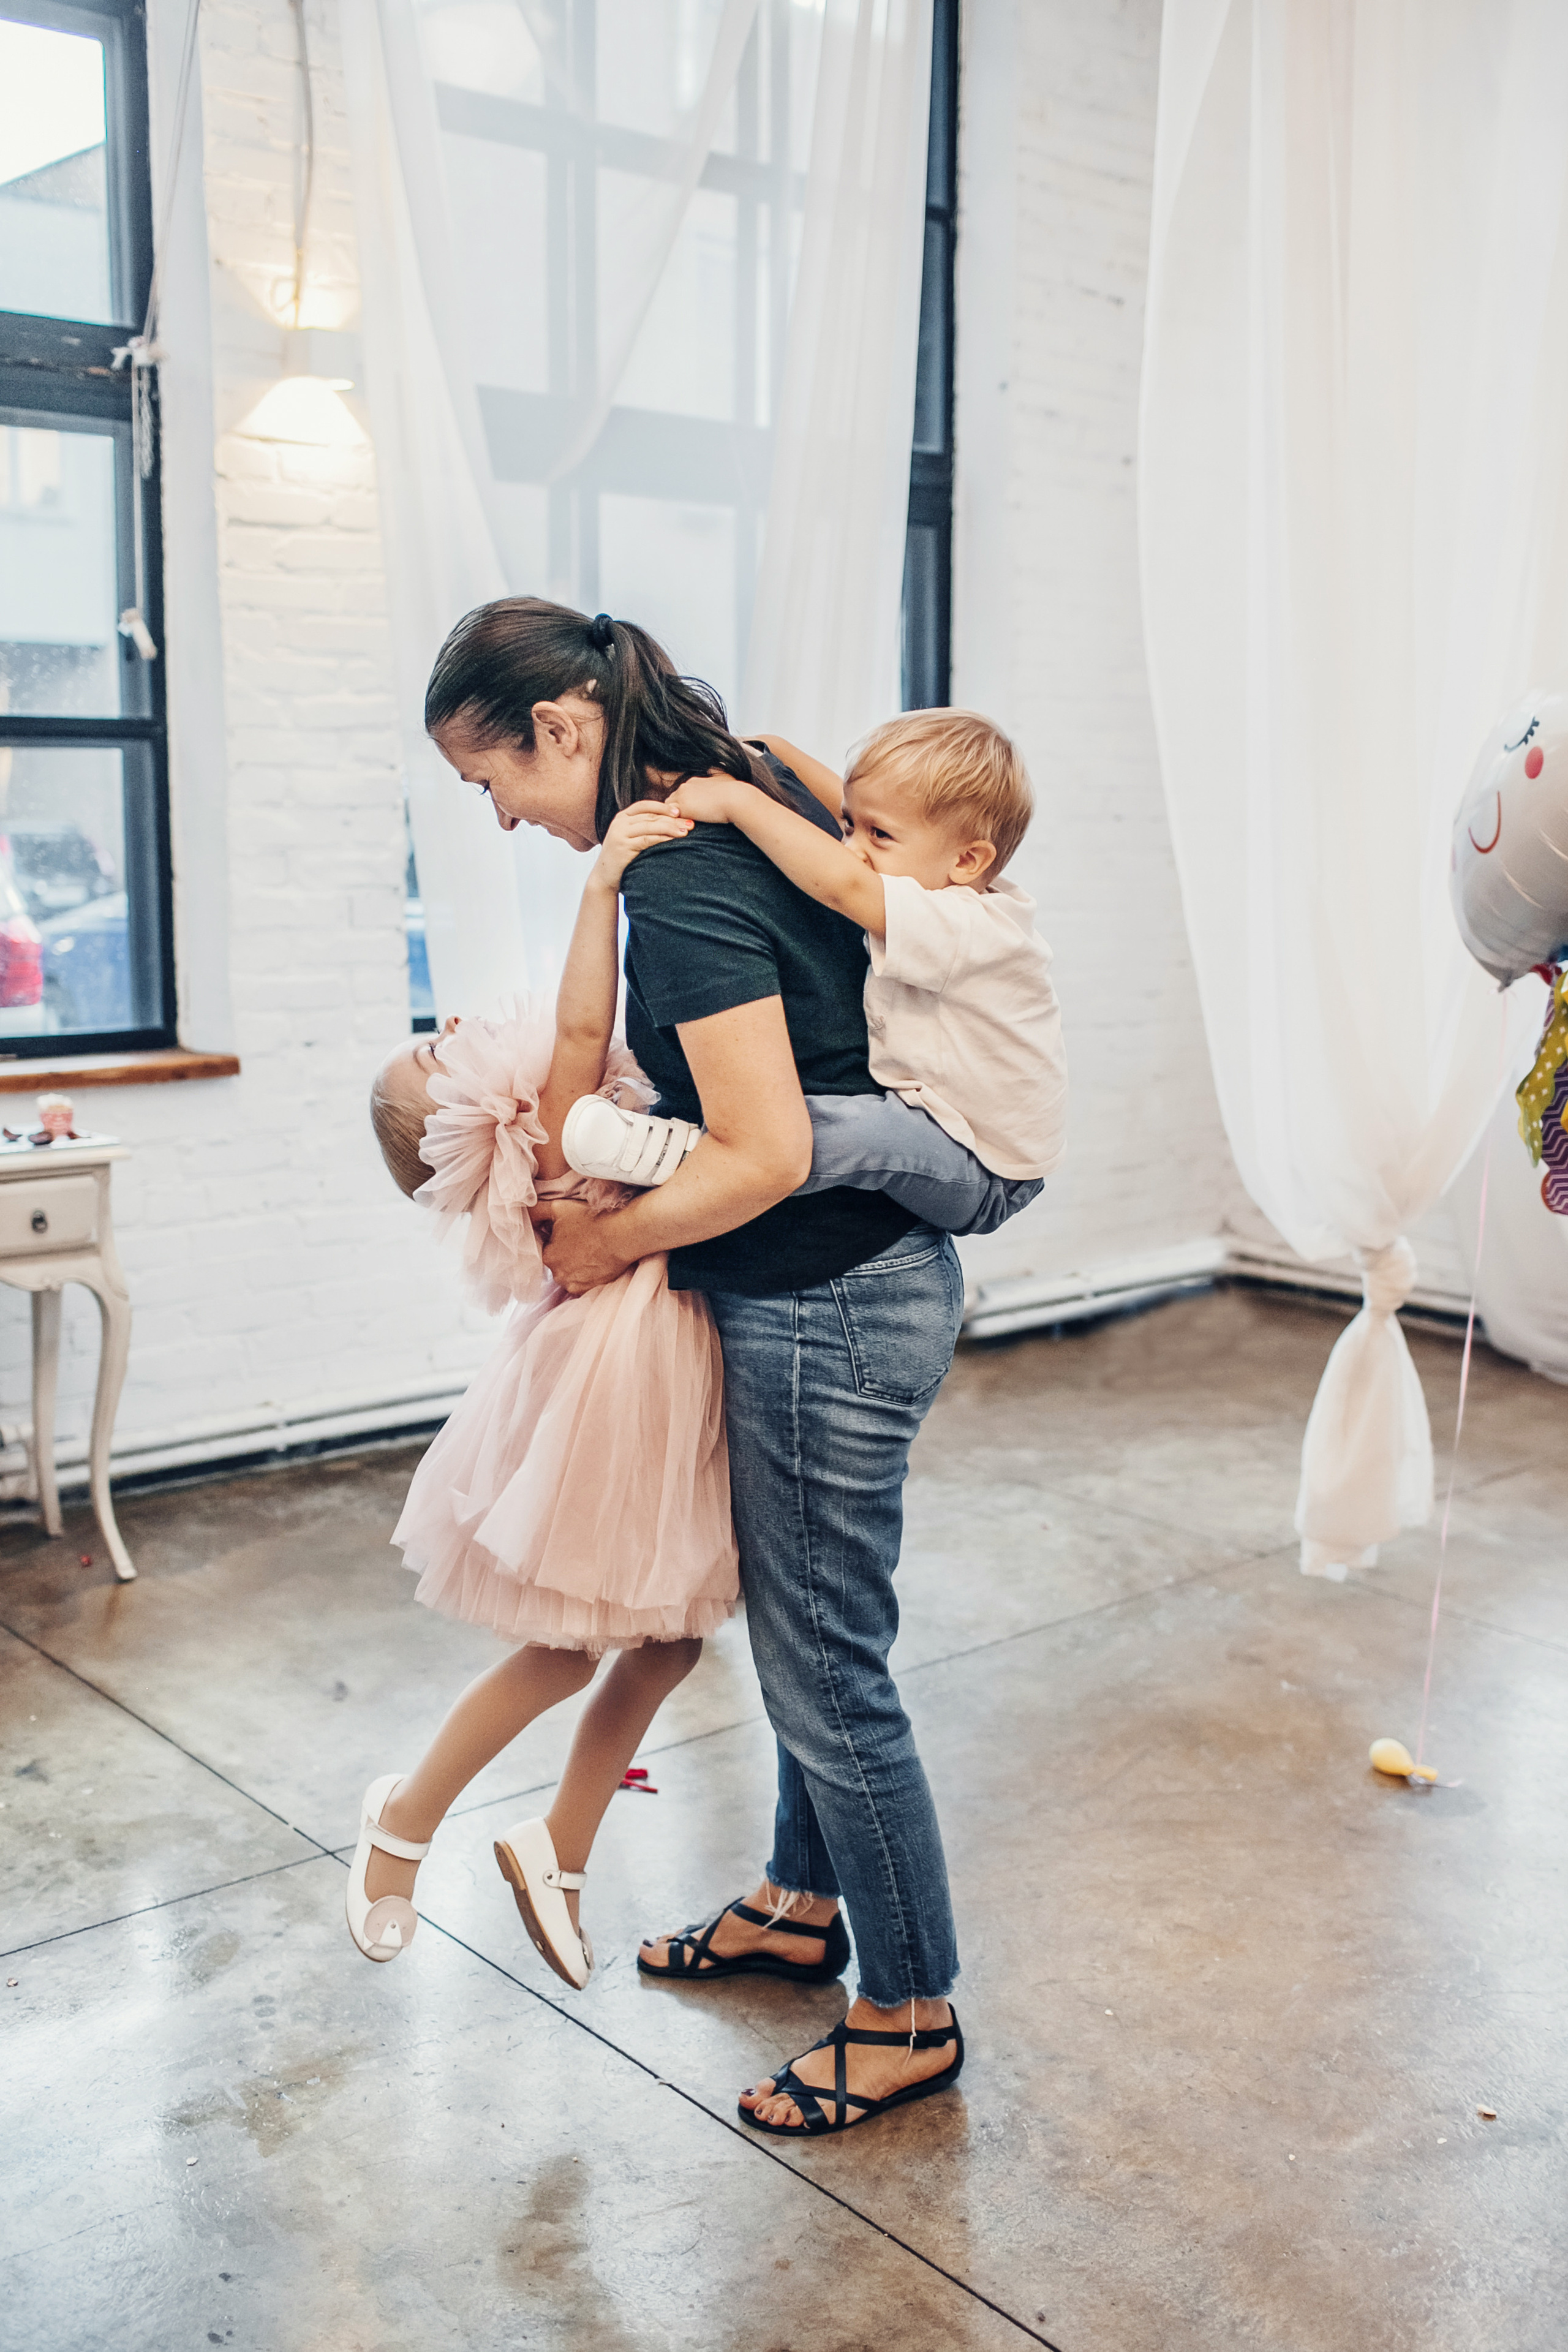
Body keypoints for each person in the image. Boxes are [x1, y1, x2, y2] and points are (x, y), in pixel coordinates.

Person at [423, 596, 1054, 2138]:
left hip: (826, 1298)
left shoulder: (691, 877)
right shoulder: (749, 793)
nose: (497, 810)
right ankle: (793, 1899)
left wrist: (610, 1243)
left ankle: (907, 2008)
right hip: (840, 1286)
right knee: (804, 1630)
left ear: (561, 727)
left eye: (490, 776)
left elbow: (767, 1149)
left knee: (826, 1663)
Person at [345, 796, 733, 1992]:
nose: (455, 1025)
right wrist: (602, 888)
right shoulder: (561, 1144)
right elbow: (575, 1025)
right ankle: (400, 1829)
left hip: (667, 1352)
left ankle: (558, 1846)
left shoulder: (586, 1118)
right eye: (435, 1051)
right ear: (475, 1122)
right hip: (621, 1379)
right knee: (570, 1646)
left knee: (668, 1644)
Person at [572, 707, 1067, 1216]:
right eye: (850, 826)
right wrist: (768, 750)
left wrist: (738, 801)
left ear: (968, 861)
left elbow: (842, 885)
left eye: (878, 836)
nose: (852, 848)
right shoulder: (936, 870)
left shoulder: (967, 926)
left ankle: (685, 1159)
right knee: (848, 1122)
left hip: (986, 1168)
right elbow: (855, 804)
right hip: (941, 1126)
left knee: (839, 1133)